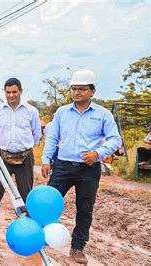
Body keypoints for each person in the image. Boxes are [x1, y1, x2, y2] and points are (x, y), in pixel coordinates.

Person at [41, 69, 121, 264]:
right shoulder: (62, 112)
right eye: (74, 89)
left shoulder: (102, 114)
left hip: (89, 168)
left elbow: (115, 139)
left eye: (82, 89)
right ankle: (41, 238)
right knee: (47, 202)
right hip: (63, 166)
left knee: (84, 208)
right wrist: (46, 159)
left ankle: (77, 247)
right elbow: (52, 137)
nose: (76, 93)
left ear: (92, 91)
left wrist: (98, 154)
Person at [0, 78, 42, 238]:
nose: (11, 95)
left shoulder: (31, 111)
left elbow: (36, 135)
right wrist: (2, 149)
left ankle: (29, 230)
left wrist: (24, 147)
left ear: (20, 91)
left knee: (26, 193)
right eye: (8, 92)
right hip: (3, 157)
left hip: (25, 157)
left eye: (14, 92)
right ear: (4, 92)